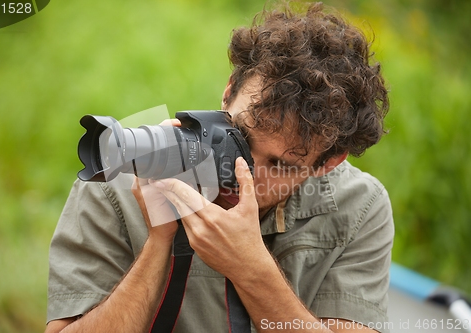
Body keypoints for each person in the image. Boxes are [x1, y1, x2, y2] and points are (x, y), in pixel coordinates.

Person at [45, 2, 393, 332]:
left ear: (328, 163)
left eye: (280, 164)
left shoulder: (359, 206)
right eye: (240, 135)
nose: (242, 170)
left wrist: (252, 270)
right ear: (228, 93)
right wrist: (159, 243)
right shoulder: (120, 168)